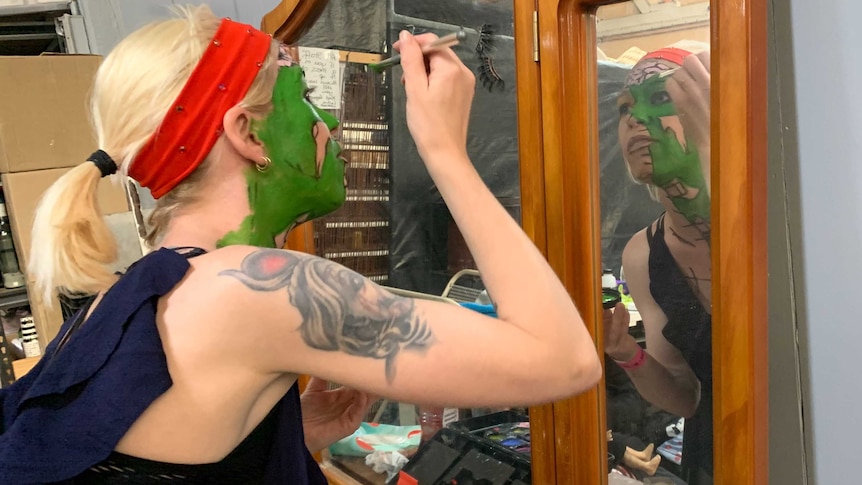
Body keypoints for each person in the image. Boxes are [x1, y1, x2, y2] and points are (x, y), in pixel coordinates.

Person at [0, 5, 601, 484]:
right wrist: (445, 151)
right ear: (247, 132)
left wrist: (289, 432)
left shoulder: (147, 286)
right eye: (305, 98)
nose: (330, 124)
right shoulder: (250, 285)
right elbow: (564, 360)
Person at [603, 42, 714, 485]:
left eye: (662, 97)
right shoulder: (643, 254)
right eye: (624, 108)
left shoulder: (783, 223)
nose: (635, 119)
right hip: (713, 460)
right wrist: (627, 354)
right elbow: (686, 397)